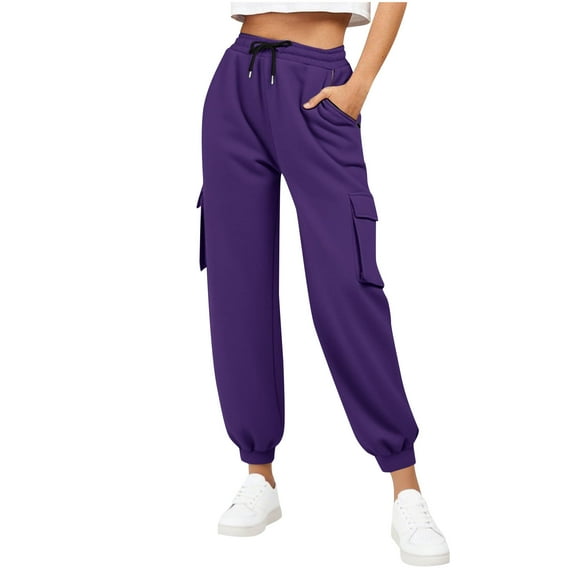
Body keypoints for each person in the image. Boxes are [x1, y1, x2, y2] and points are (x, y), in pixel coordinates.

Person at [196, 2, 450, 566]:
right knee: (237, 287)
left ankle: (404, 485)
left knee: (346, 286)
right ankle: (258, 472)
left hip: (319, 85)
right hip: (236, 79)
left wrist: (360, 85)